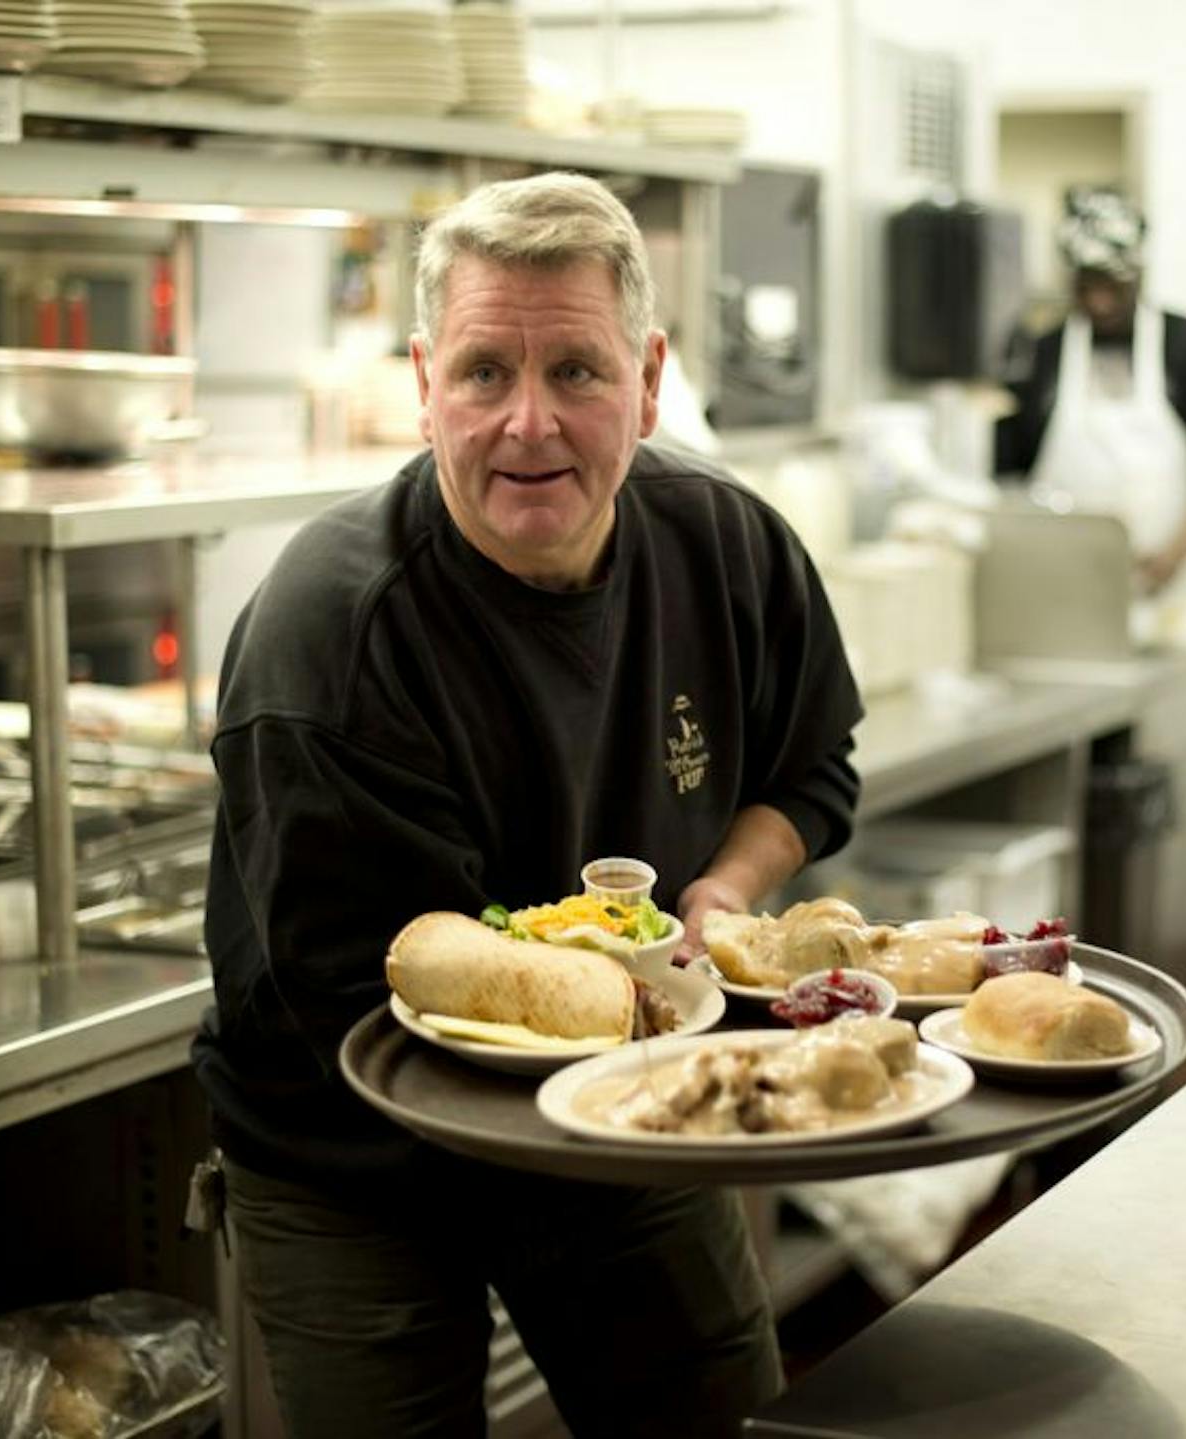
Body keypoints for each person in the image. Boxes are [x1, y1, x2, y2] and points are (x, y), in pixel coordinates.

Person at [192, 172, 863, 1438]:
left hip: (628, 1105)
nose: (529, 423)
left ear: (651, 380)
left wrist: (723, 893)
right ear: (424, 382)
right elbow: (352, 988)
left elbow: (809, 768)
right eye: (486, 372)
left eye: (578, 372)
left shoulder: (725, 545)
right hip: (352, 1156)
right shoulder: (332, 633)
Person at [996, 185, 1186, 1037]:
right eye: (1086, 283)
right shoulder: (1048, 355)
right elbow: (1010, 474)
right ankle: (1102, 986)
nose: (1099, 299)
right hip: (1078, 622)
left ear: (1139, 274)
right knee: (1098, 804)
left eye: (1112, 285)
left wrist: (1173, 552)